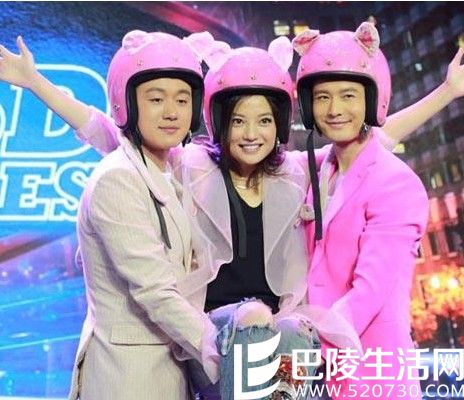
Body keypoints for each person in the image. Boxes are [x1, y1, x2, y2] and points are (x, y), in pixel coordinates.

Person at [1, 30, 463, 399]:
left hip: (283, 342)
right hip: (216, 339)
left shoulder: (296, 172)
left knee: (277, 349)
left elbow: (368, 138)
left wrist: (445, 93)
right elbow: (109, 132)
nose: (250, 134)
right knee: (251, 335)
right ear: (220, 121)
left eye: (264, 121)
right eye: (238, 121)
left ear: (279, 124)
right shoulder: (192, 166)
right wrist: (38, 85)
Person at [18, 30, 220, 400]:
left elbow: (96, 126)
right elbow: (155, 291)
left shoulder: (168, 165)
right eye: (156, 99)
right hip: (128, 376)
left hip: (165, 370)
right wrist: (221, 349)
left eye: (182, 99)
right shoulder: (117, 179)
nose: (172, 111)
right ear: (127, 104)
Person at [293, 22, 430, 399]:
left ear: (371, 98)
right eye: (322, 97)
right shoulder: (320, 168)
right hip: (323, 378)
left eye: (348, 96)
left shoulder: (395, 183)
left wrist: (294, 344)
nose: (334, 110)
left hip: (373, 375)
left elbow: (368, 293)